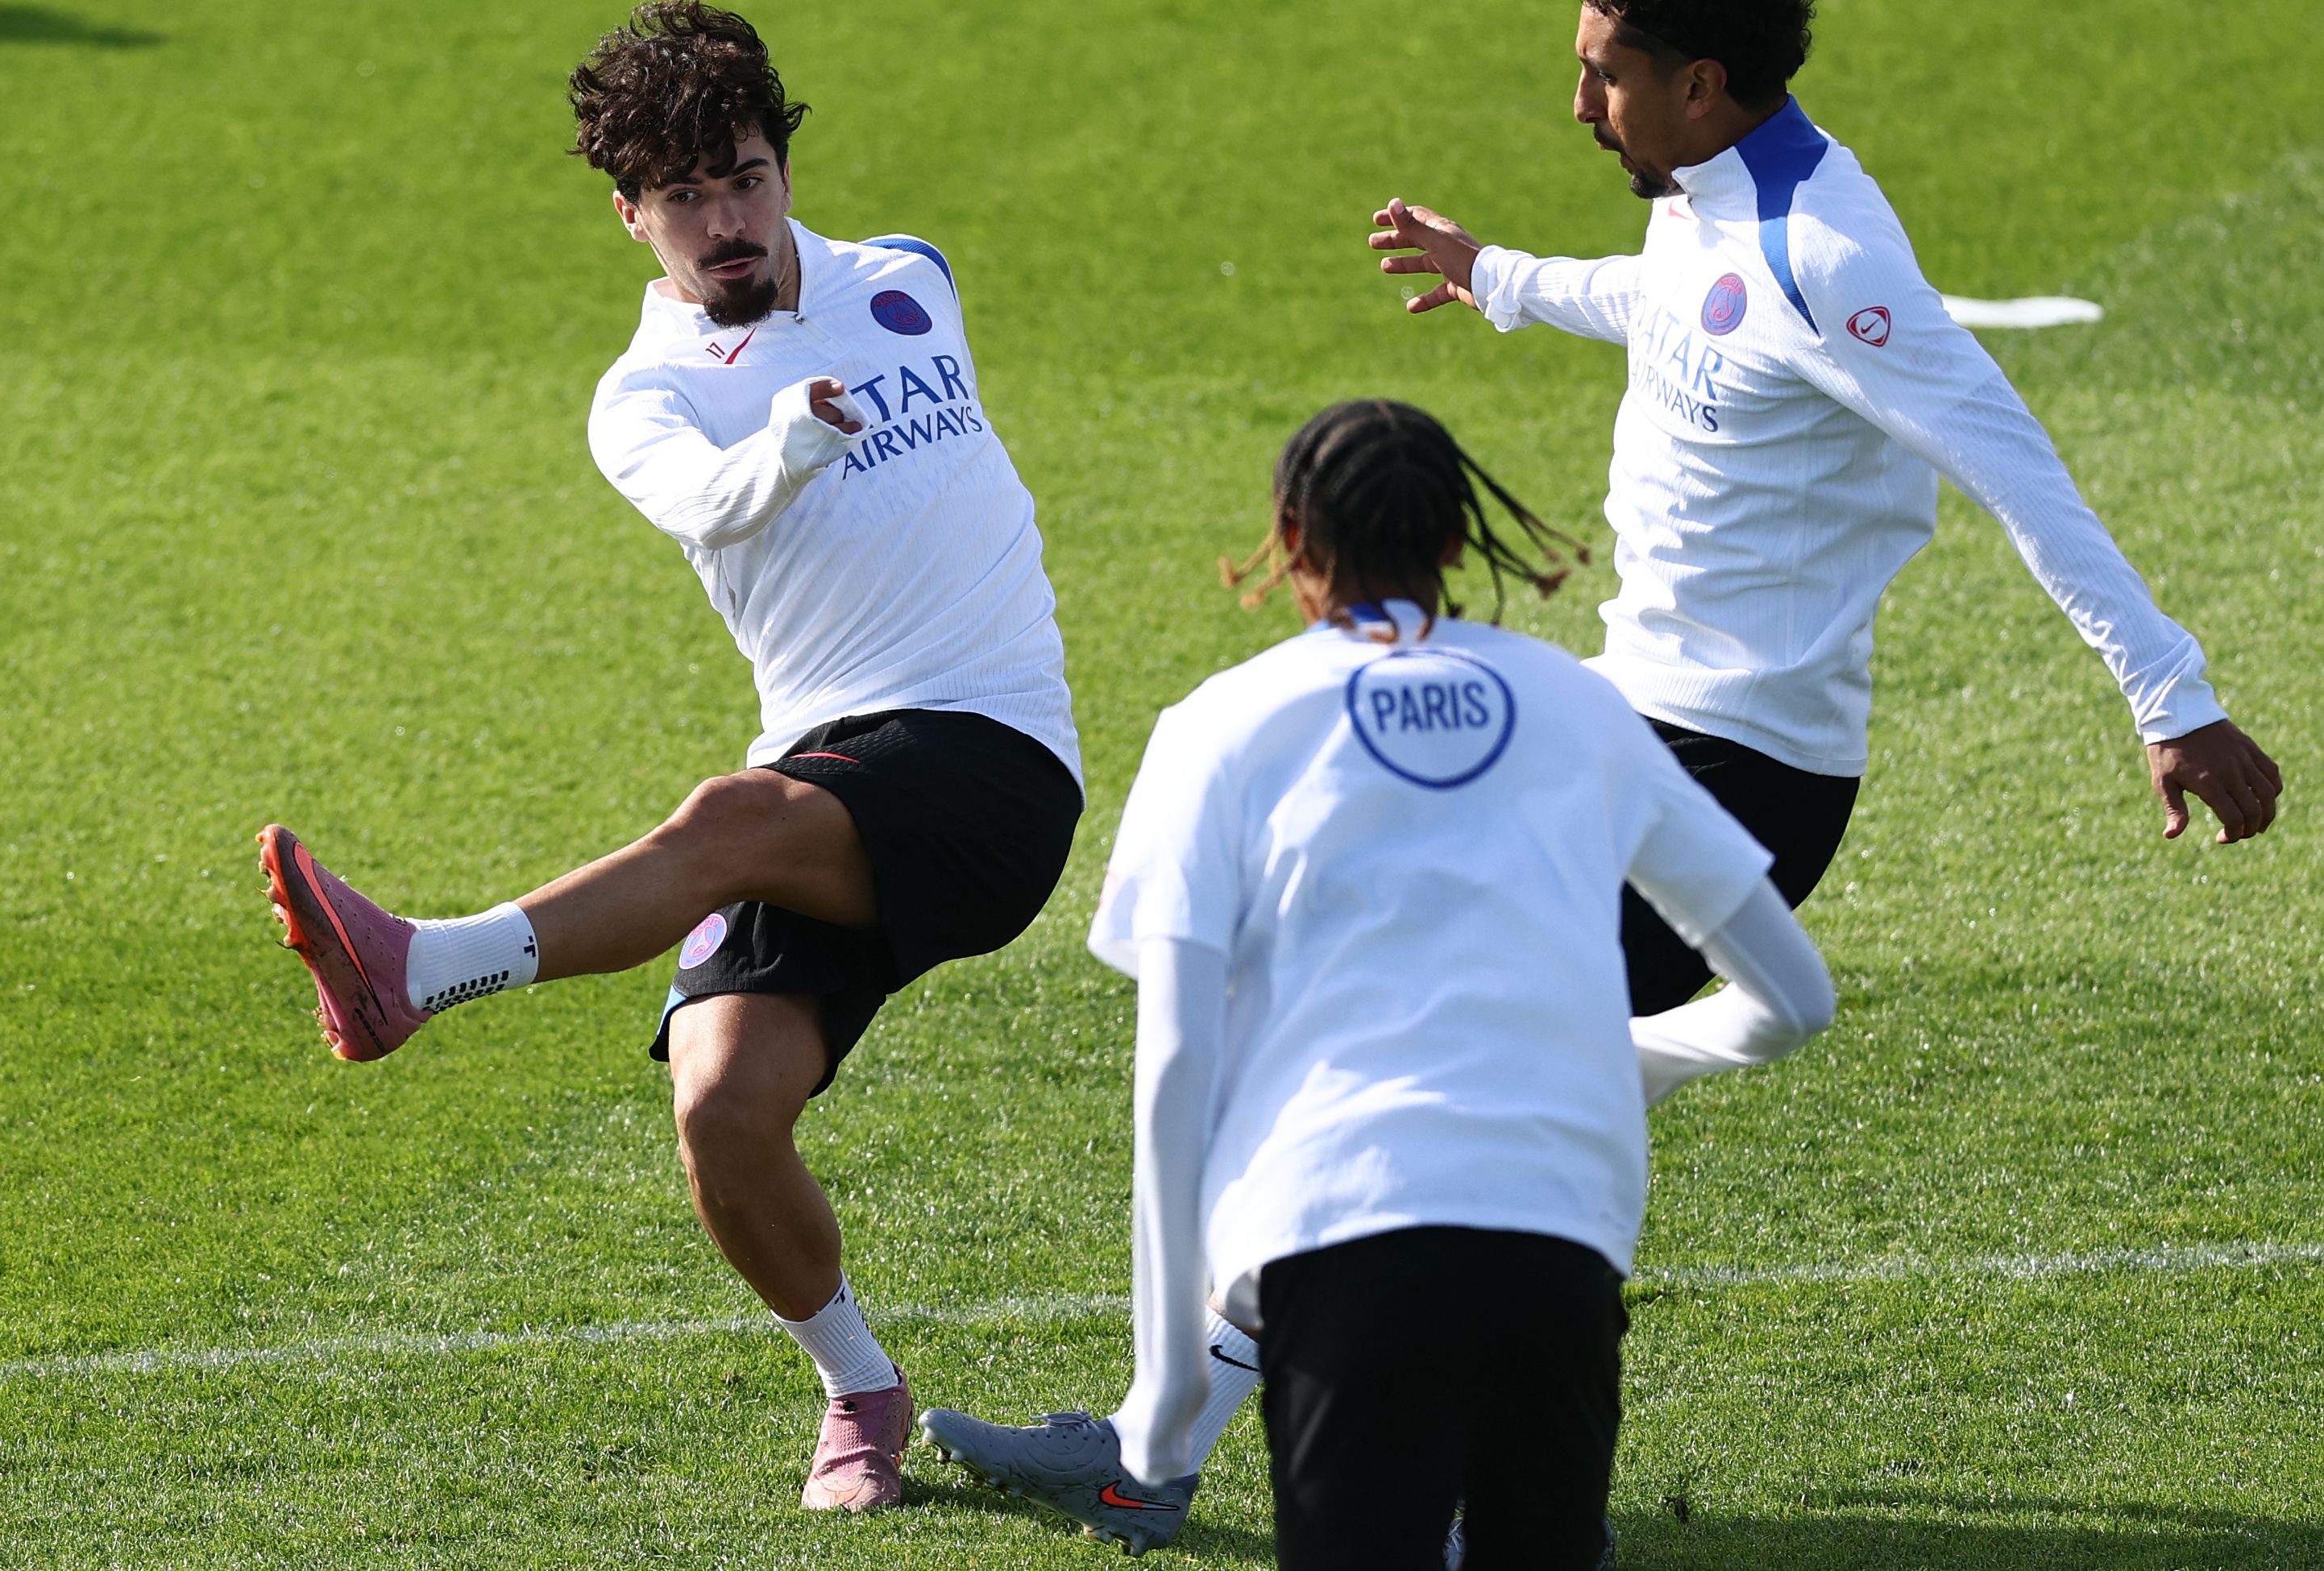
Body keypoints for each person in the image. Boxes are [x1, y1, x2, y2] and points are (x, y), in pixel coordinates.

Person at [924, 0, 2281, 1544]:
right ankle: (1189, 1453)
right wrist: (1495, 274)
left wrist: (2171, 692)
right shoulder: (1720, 212)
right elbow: (1668, 302)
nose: (1579, 99)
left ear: (1703, 83)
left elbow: (2011, 458)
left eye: (1606, 72)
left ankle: (1224, 1463)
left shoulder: (1826, 259)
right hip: (1630, 724)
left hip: (1730, 774)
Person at [257, 2, 1082, 1513]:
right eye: (686, 196)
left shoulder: (907, 276)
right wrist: (792, 435)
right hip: (823, 771)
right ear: (629, 213)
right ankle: (861, 1394)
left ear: (783, 165)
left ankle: (416, 971)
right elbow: (712, 503)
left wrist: (815, 412)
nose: (725, 221)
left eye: (747, 176)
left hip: (994, 758)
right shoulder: (640, 399)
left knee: (724, 814)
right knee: (720, 1100)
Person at [1005, 400, 1834, 1567]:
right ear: (1456, 542)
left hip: (1335, 1240)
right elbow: (1795, 998)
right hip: (1556, 1242)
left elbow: (1177, 1073)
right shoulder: (1580, 706)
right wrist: (1635, 1054)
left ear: (1291, 538)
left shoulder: (1220, 729)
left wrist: (1165, 1374)